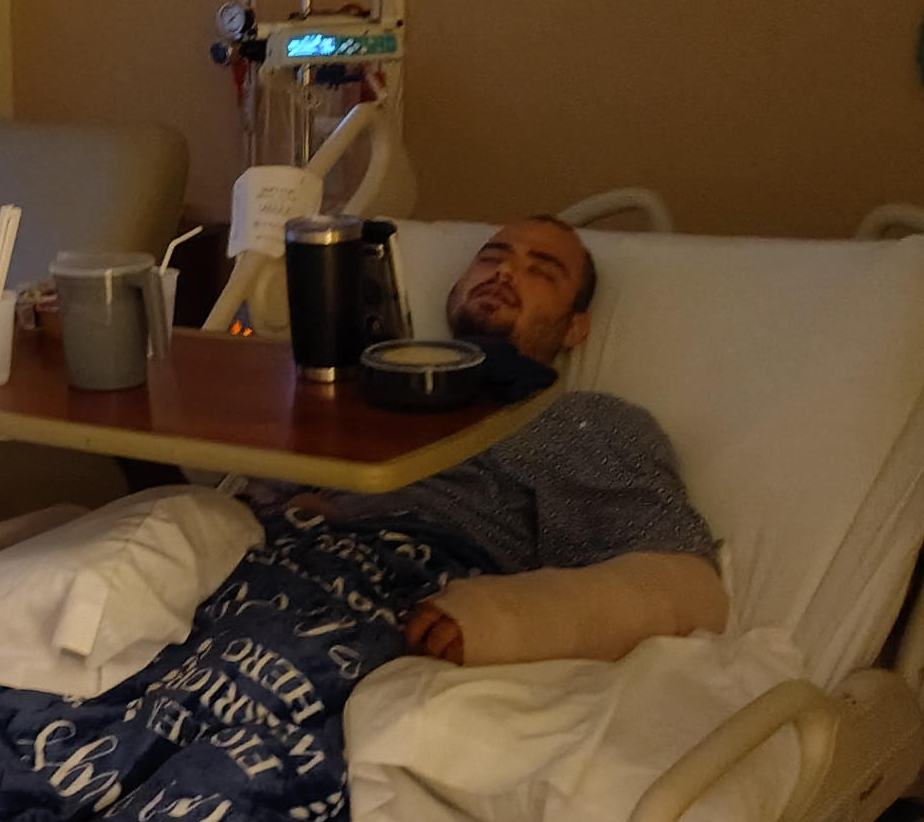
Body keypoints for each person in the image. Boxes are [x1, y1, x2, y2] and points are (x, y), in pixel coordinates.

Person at [271, 214, 729, 667]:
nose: (505, 271)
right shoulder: (361, 393)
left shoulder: (581, 420)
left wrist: (500, 619)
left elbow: (685, 587)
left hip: (412, 588)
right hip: (287, 556)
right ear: (455, 291)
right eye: (491, 259)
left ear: (575, 327)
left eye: (542, 271)